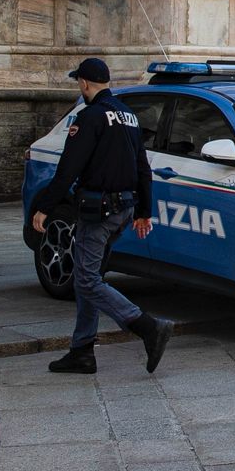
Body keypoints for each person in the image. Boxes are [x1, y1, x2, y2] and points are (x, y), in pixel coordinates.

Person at [28, 58, 170, 374]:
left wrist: (45, 207)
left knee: (87, 280)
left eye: (79, 82)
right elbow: (142, 167)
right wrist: (145, 210)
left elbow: (68, 169)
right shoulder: (129, 116)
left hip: (99, 210)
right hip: (125, 209)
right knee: (88, 277)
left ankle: (148, 327)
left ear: (84, 84)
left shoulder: (89, 117)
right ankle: (82, 351)